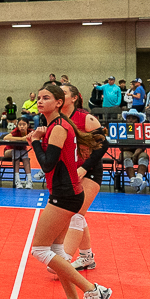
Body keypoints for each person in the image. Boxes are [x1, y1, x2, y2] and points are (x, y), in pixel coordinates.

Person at [29, 84, 111, 299]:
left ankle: (94, 290)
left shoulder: (58, 128)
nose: (40, 101)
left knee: (39, 249)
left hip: (65, 195)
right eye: (39, 97)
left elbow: (47, 164)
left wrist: (35, 141)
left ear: (58, 103)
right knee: (55, 249)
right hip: (68, 192)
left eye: (46, 98)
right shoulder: (59, 124)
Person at [60, 83, 106, 270]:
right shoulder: (56, 119)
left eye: (63, 93)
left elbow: (103, 145)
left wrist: (85, 168)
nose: (59, 95)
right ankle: (87, 257)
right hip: (70, 173)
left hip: (90, 171)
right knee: (77, 214)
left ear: (74, 98)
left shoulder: (85, 118)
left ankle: (63, 260)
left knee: (76, 213)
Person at [2, 118, 35, 188]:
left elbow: (39, 137)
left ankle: (29, 181)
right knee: (16, 152)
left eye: (24, 124)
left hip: (22, 152)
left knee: (24, 152)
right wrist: (22, 139)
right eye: (20, 125)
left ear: (28, 125)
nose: (22, 127)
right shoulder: (16, 131)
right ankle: (17, 181)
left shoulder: (31, 131)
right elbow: (5, 138)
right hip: (9, 151)